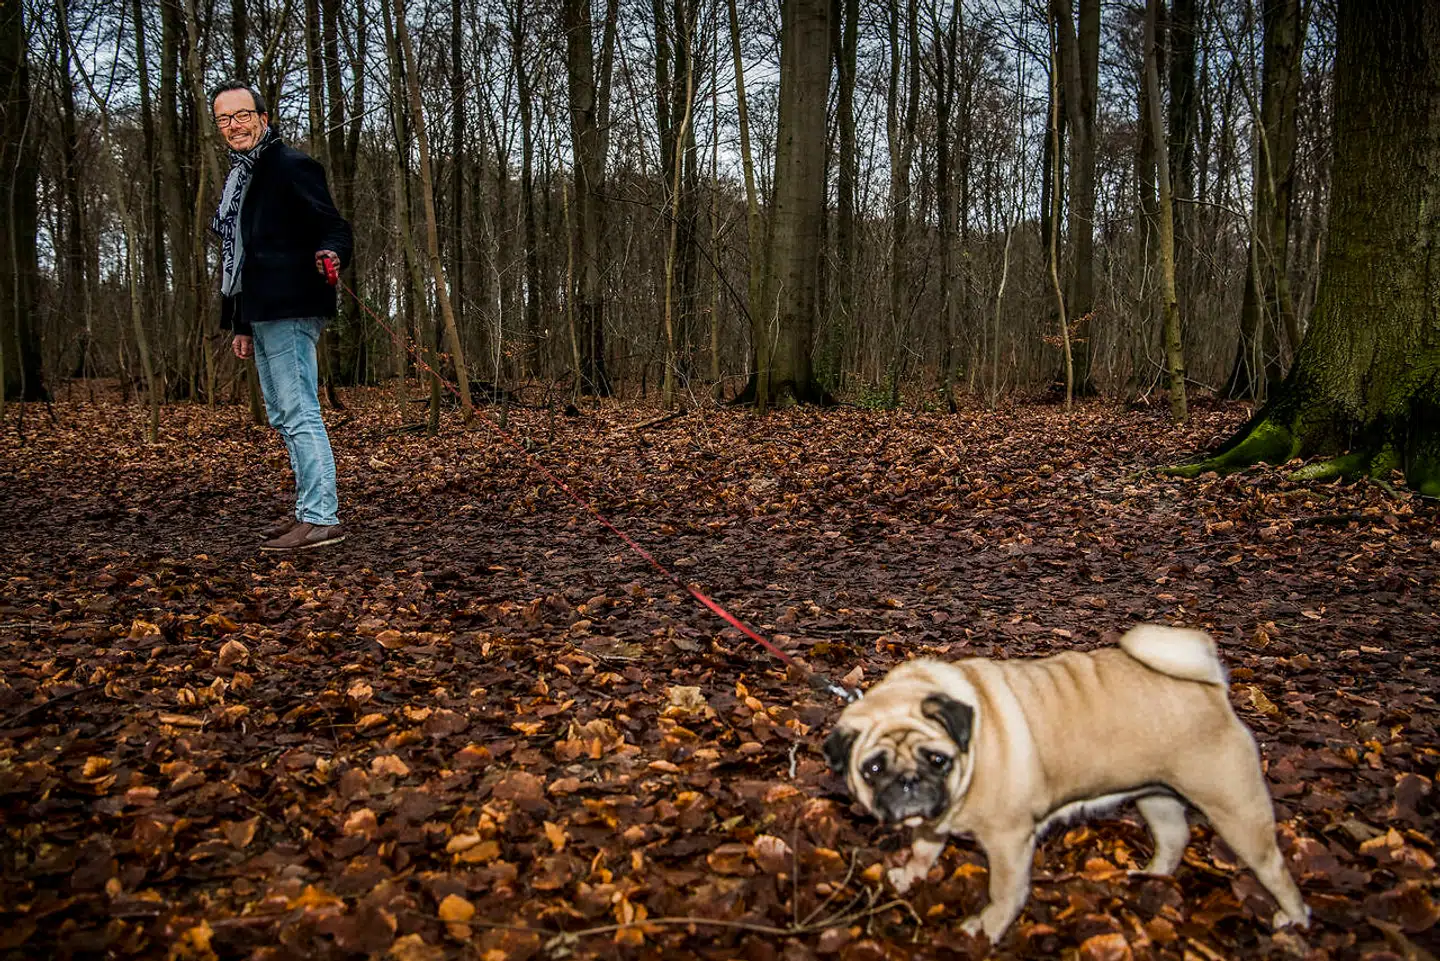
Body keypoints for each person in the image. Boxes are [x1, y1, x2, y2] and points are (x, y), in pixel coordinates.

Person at [210, 81, 353, 552]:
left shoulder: (291, 165)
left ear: (263, 118)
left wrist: (330, 252)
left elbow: (333, 225)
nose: (234, 125)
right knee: (282, 413)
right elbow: (242, 257)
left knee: (300, 411)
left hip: (293, 303)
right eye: (224, 119)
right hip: (262, 311)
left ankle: (321, 518)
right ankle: (307, 512)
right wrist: (241, 324)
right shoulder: (241, 179)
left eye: (242, 115)